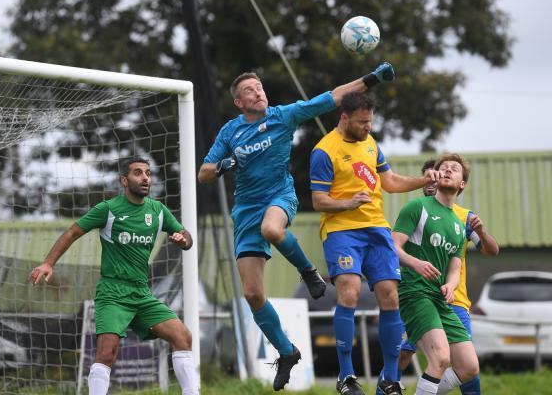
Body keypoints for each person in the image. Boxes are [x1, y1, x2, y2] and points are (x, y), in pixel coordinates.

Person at [198, 62, 395, 391]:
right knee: (252, 294)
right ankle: (287, 353)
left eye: (259, 87)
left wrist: (371, 78)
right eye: (250, 90)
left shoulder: (282, 116)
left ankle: (308, 271)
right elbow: (203, 172)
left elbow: (331, 97)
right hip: (246, 209)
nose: (258, 92)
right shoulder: (229, 132)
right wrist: (222, 165)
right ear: (239, 102)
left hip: (279, 195)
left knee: (273, 230)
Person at [29, 158, 197, 395]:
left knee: (182, 336)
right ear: (124, 180)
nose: (145, 178)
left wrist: (183, 239)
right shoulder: (108, 209)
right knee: (107, 353)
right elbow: (72, 232)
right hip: (113, 294)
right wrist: (48, 263)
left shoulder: (158, 211)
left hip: (141, 293)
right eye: (138, 173)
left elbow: (185, 236)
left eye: (148, 173)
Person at [309, 92, 440, 395]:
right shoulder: (323, 151)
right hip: (342, 231)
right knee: (350, 293)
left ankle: (390, 378)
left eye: (370, 121)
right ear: (345, 118)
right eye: (362, 122)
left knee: (390, 297)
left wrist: (424, 180)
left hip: (377, 230)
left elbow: (390, 182)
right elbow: (318, 200)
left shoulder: (371, 144)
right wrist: (348, 202)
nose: (368, 127)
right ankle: (346, 377)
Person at [377, 159, 499, 395]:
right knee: (433, 357)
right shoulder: (417, 207)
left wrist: (451, 285)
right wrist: (415, 263)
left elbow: (456, 266)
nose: (446, 170)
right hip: (416, 293)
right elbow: (391, 246)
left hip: (446, 300)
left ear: (462, 184)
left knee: (469, 368)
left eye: (454, 168)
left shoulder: (461, 221)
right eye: (442, 167)